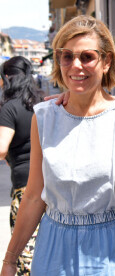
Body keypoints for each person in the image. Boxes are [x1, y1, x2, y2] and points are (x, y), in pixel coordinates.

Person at [0, 16, 115, 276]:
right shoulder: (43, 117)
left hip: (112, 245)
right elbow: (33, 196)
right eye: (67, 56)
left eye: (87, 57)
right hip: (54, 246)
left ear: (106, 61)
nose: (76, 65)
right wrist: (10, 260)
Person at [0, 56, 44, 275]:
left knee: (25, 249)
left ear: (7, 78)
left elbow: (1, 148)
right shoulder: (44, 102)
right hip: (51, 186)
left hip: (25, 189)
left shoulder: (9, 108)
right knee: (47, 245)